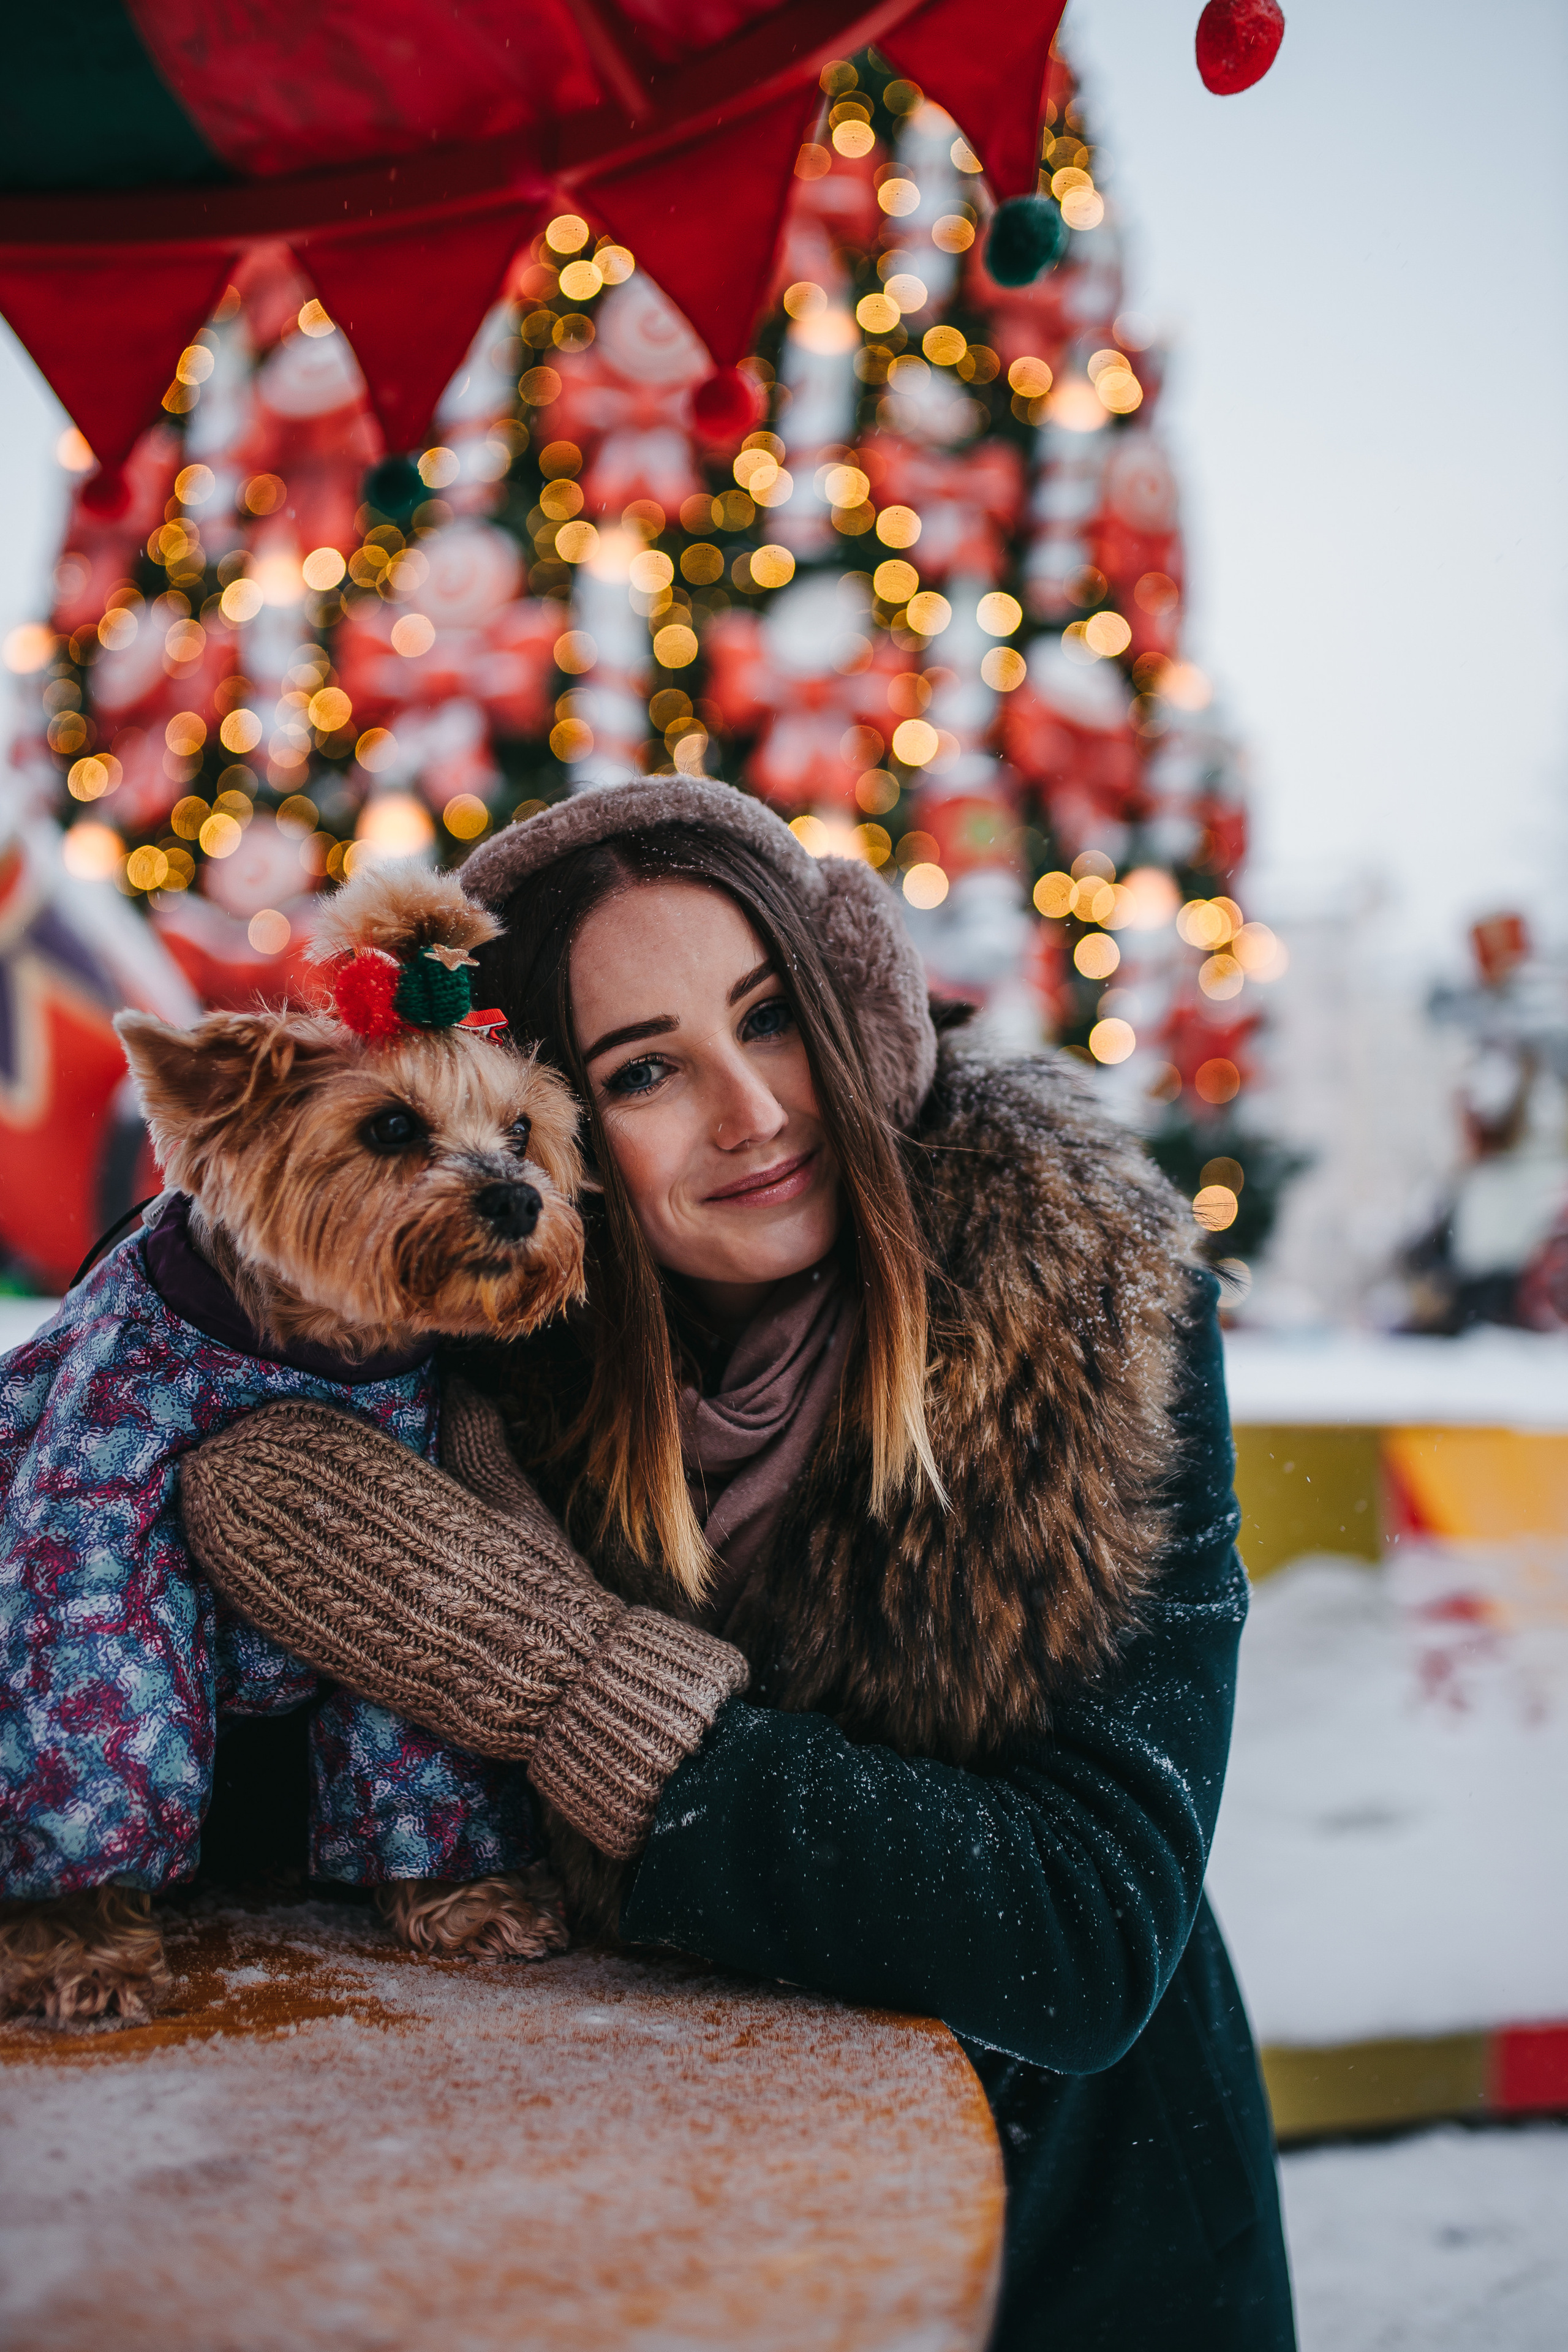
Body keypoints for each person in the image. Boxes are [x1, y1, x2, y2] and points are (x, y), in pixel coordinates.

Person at [184, 778, 1296, 2350]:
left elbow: (1085, 1923)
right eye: (646, 1070)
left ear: (857, 1010)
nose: (753, 1110)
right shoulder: (467, 1384)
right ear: (546, 1135)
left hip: (1068, 2250)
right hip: (664, 2262)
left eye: (769, 1019)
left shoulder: (1087, 1323)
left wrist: (575, 1688)